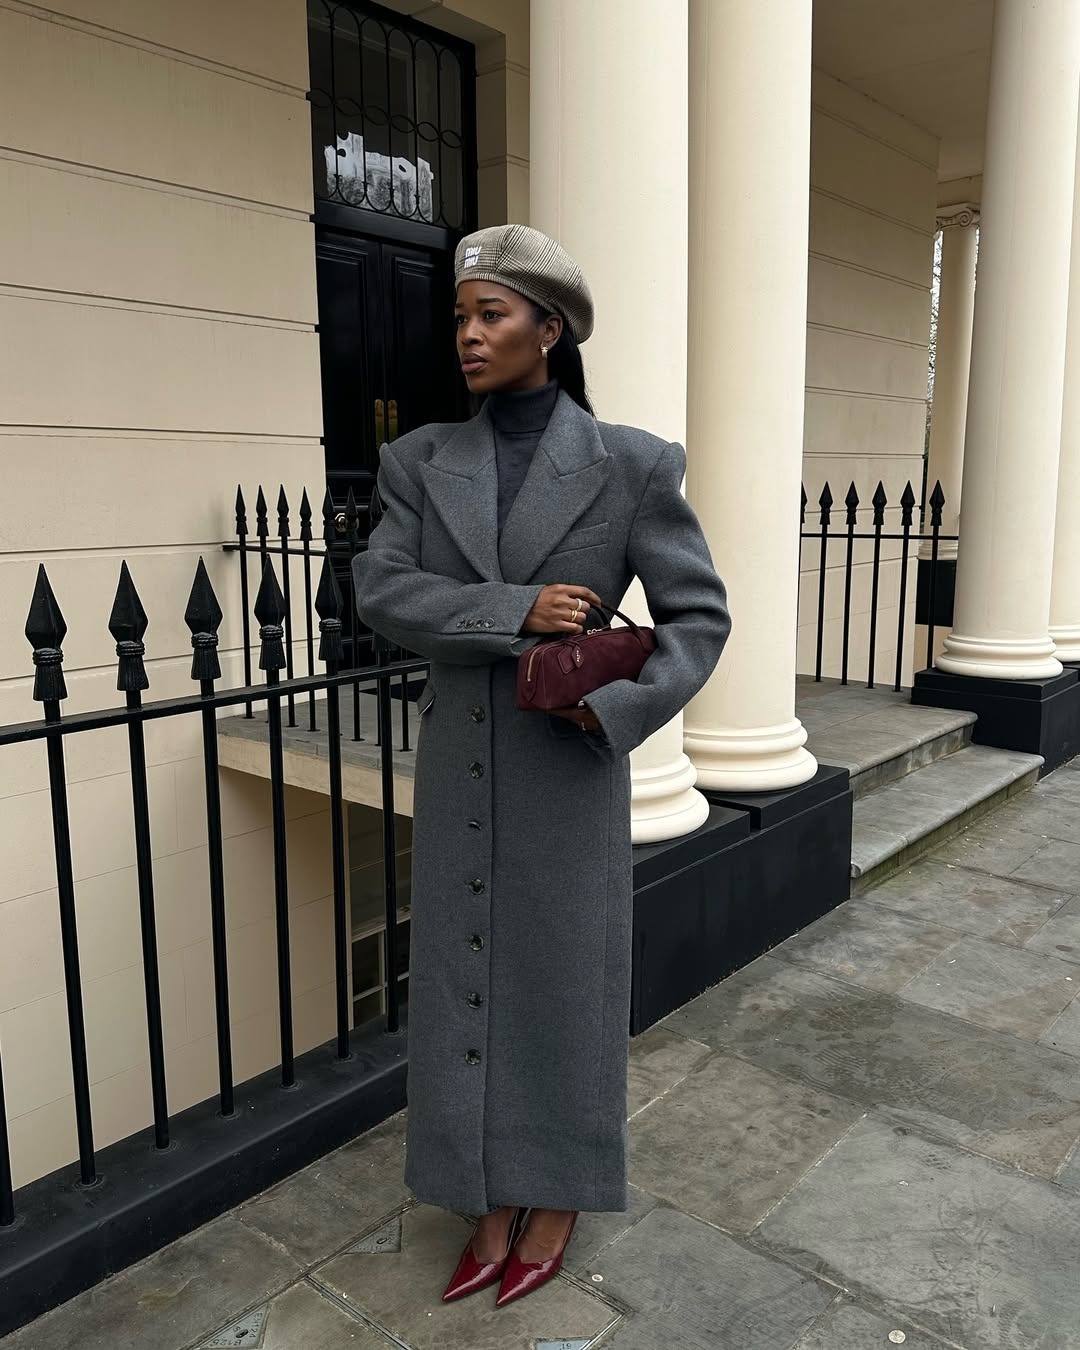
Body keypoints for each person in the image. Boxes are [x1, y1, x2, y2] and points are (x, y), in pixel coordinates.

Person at [353, 223, 730, 1309]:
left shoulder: (633, 464)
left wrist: (617, 709)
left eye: (492, 315)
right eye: (462, 317)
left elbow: (699, 619)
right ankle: (483, 1191)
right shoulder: (421, 460)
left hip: (568, 766)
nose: (467, 336)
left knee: (562, 982)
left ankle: (555, 1193)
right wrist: (516, 609)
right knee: (466, 976)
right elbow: (382, 593)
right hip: (463, 761)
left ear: (548, 331)